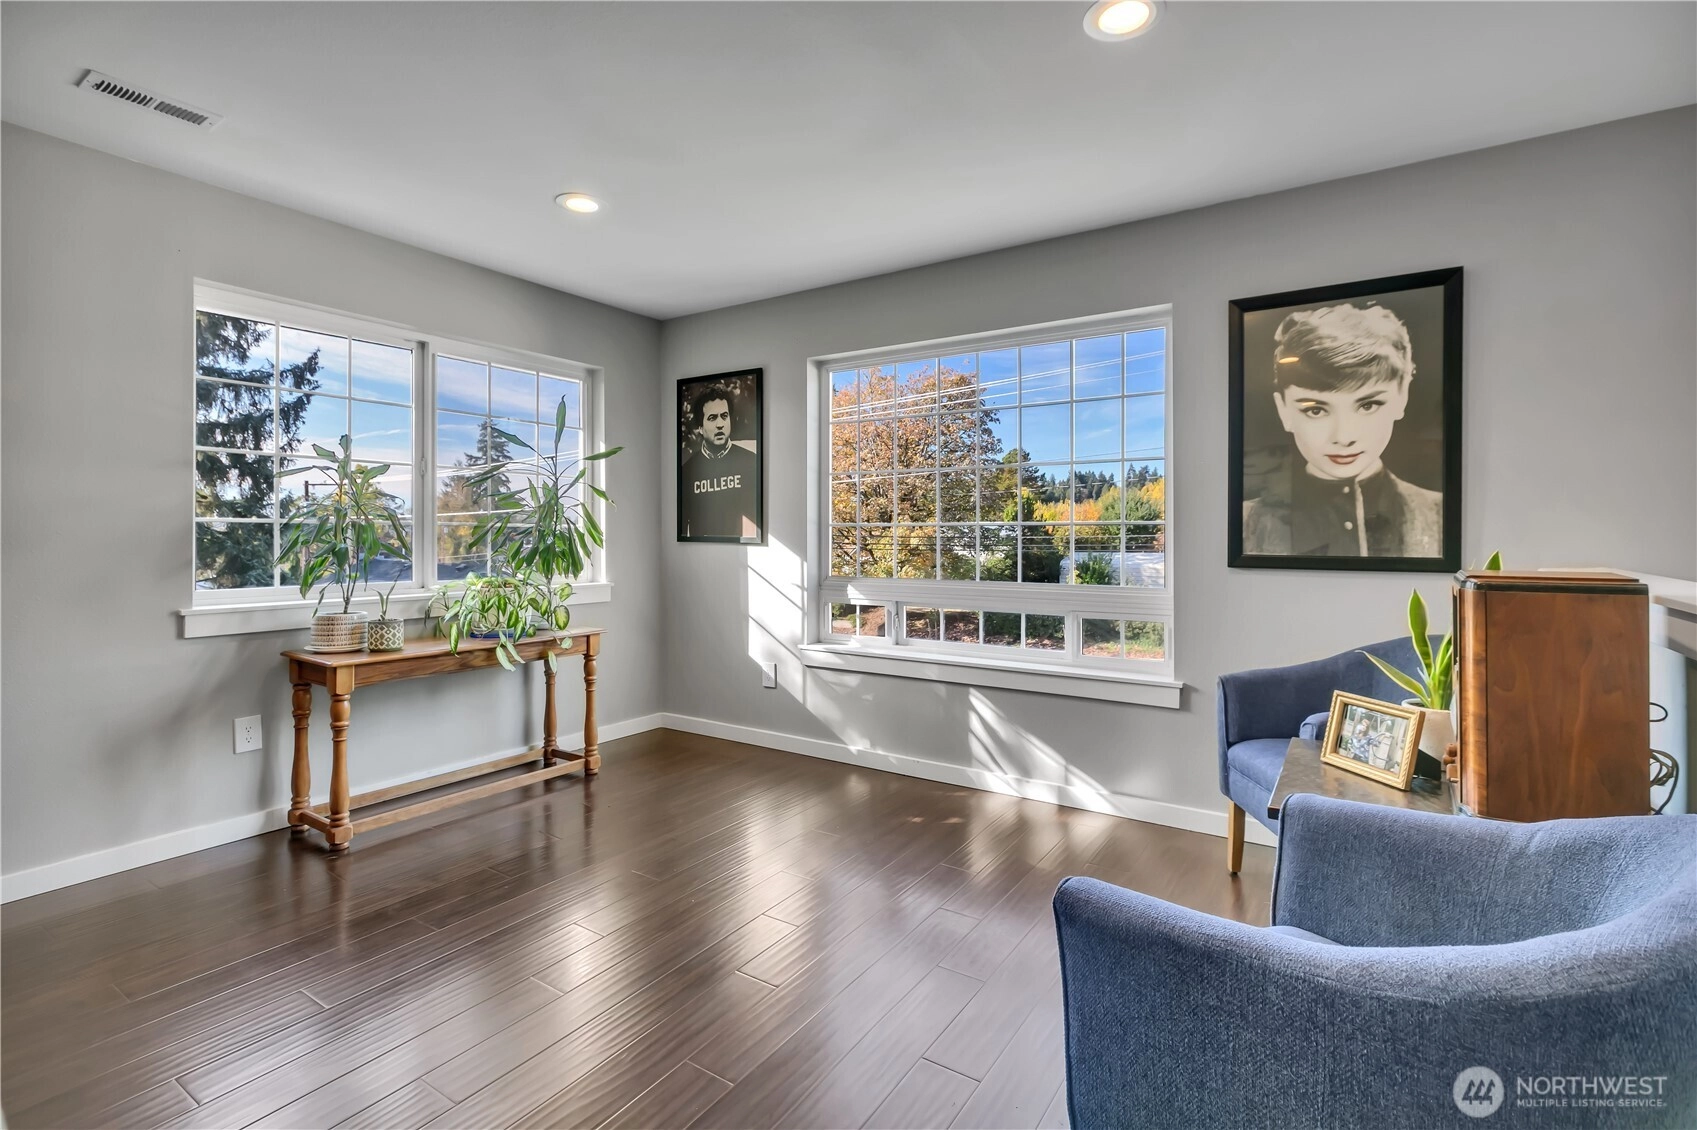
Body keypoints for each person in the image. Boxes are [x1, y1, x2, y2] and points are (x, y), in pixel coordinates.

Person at [1243, 303, 1441, 557]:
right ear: (1284, 411)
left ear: (1402, 397)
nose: (1344, 437)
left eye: (1368, 406)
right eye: (1316, 410)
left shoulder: (1440, 514)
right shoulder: (1244, 523)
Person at [681, 383, 759, 540]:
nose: (720, 424)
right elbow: (683, 531)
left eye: (724, 416)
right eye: (712, 418)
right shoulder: (687, 471)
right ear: (700, 427)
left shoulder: (751, 461)